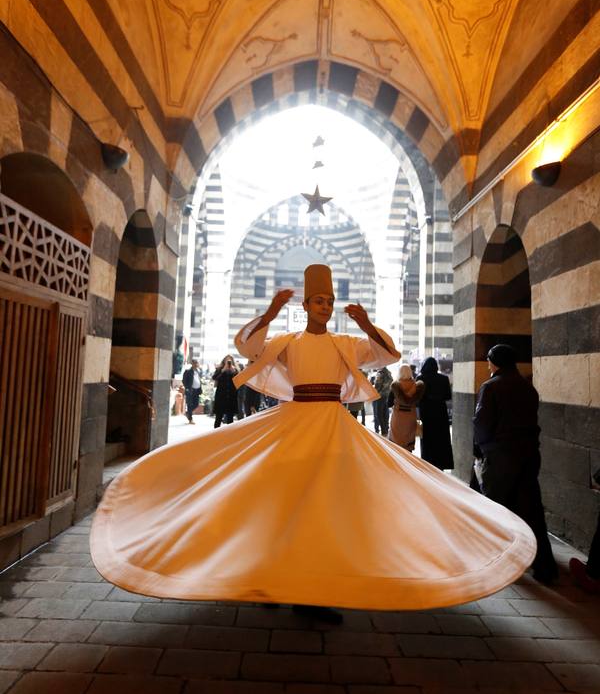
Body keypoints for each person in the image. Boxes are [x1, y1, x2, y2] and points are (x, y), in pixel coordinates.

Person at [91, 264, 536, 622]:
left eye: (329, 301)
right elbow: (249, 348)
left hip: (333, 425)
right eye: (318, 301)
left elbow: (388, 355)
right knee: (284, 503)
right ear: (305, 305)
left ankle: (314, 592)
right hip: (293, 423)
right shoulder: (287, 341)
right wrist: (268, 312)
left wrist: (365, 322)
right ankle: (274, 580)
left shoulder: (346, 342)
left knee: (324, 507)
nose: (325, 306)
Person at [473, 343, 558, 584]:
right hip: (528, 454)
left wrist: (482, 449)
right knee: (531, 509)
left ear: (495, 362)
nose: (488, 364)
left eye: (489, 360)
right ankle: (545, 567)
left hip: (500, 456)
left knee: (497, 509)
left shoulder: (490, 387)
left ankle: (500, 563)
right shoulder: (527, 387)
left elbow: (482, 424)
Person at [417, 357, 454, 470]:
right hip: (440, 413)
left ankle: (428, 464)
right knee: (441, 439)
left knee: (427, 440)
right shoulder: (443, 378)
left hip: (426, 413)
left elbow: (417, 398)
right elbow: (448, 396)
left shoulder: (421, 378)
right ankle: (441, 465)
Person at [388, 364, 424, 452]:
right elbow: (418, 403)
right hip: (410, 416)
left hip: (398, 416)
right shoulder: (416, 386)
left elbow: (388, 404)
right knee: (408, 438)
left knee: (396, 439)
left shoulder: (395, 386)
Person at [212, 355, 239, 428]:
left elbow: (239, 381)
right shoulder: (220, 369)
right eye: (227, 361)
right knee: (218, 416)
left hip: (231, 396)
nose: (228, 362)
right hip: (221, 395)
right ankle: (215, 433)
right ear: (224, 361)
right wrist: (223, 370)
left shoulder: (235, 370)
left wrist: (234, 372)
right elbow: (214, 378)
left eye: (230, 361)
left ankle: (229, 435)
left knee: (230, 418)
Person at [182, 358, 202, 424]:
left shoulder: (199, 371)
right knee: (190, 404)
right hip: (190, 390)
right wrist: (187, 388)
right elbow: (184, 380)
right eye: (195, 363)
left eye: (197, 363)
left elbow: (199, 380)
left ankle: (188, 413)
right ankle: (190, 419)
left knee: (196, 404)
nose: (196, 364)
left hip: (197, 390)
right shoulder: (188, 371)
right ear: (192, 364)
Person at [373, 366, 392, 435]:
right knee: (382, 413)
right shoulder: (380, 372)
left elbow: (386, 385)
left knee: (380, 413)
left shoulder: (385, 373)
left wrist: (378, 394)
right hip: (380, 396)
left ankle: (384, 430)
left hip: (382, 396)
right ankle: (384, 430)